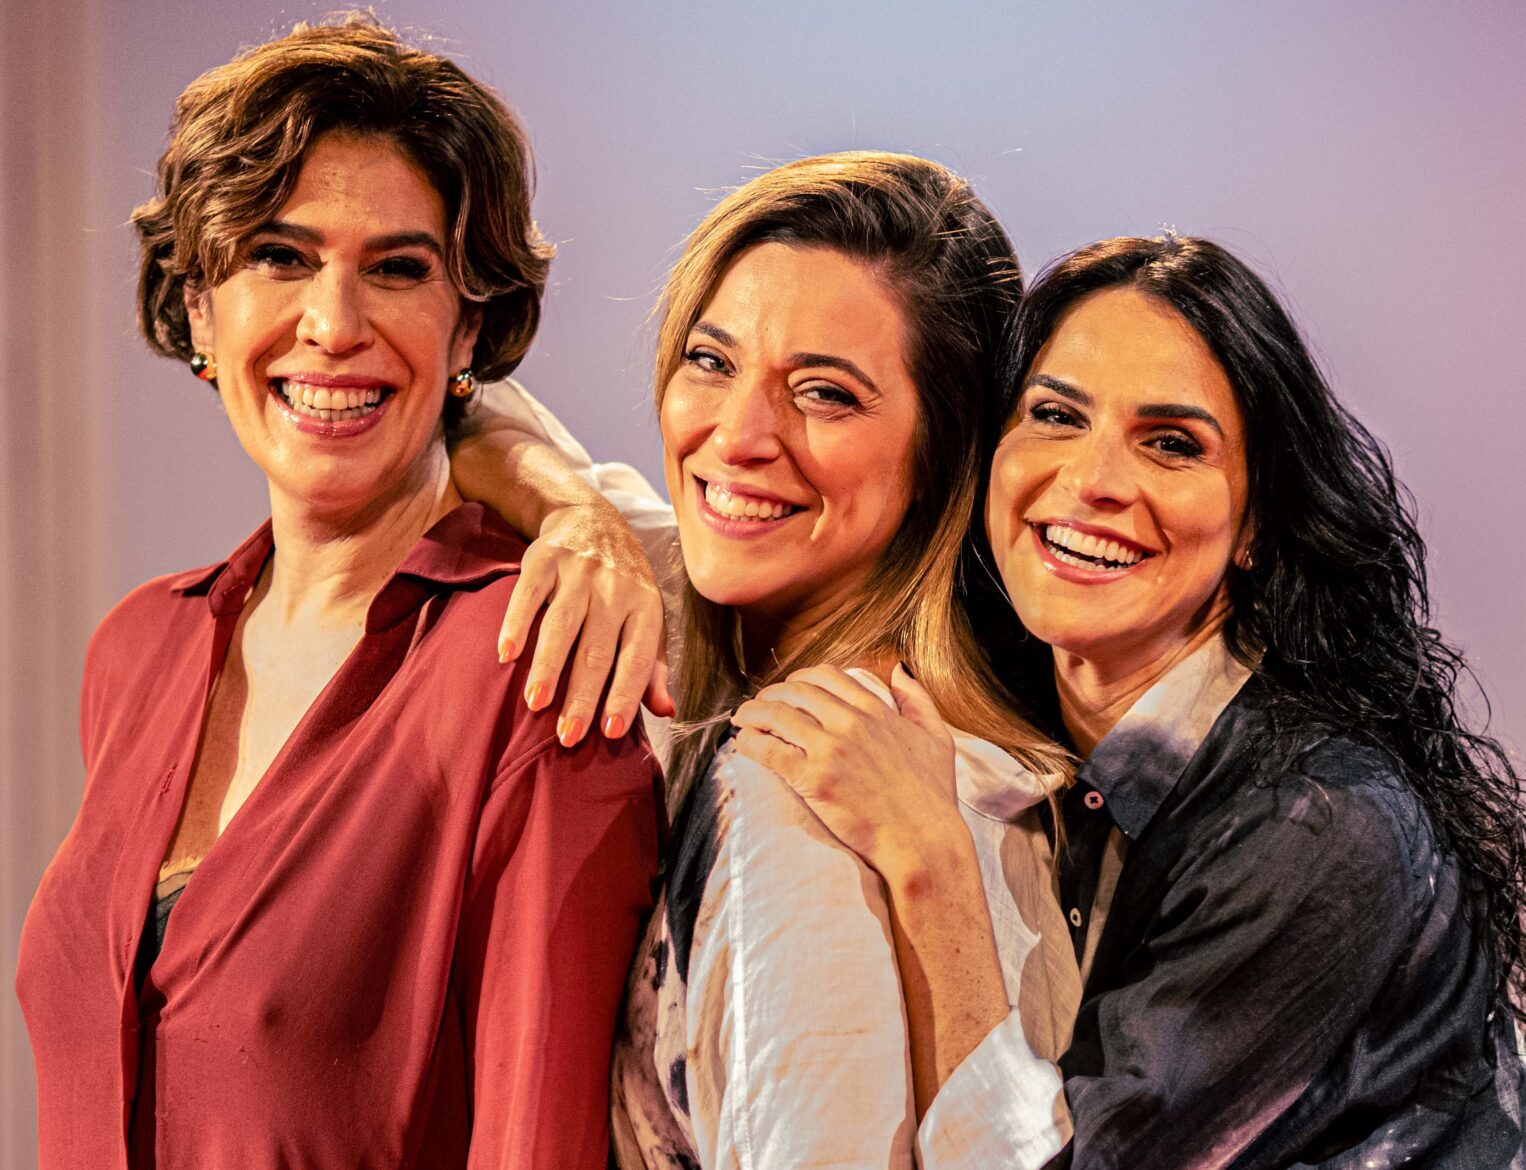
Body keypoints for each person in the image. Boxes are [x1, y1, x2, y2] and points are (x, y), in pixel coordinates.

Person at [15, 16, 665, 1168]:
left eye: (398, 269)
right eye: (280, 256)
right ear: (200, 305)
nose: (333, 325)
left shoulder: (537, 662)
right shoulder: (137, 646)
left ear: (469, 327)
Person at [734, 234, 1526, 1167]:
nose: (1092, 482)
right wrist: (592, 528)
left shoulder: (1321, 828)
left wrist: (928, 859)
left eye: (1172, 444)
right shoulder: (1032, 709)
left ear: (1256, 524)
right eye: (1055, 415)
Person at [452, 152, 1081, 1168]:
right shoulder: (711, 612)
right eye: (711, 361)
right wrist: (574, 515)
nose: (739, 435)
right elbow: (466, 417)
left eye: (825, 395)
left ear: (944, 452)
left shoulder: (810, 790)